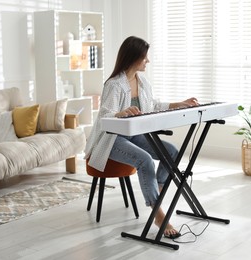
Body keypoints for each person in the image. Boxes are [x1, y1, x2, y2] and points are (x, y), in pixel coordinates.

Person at [84, 36, 199, 238]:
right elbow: (104, 116)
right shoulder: (114, 84)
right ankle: (158, 214)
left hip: (132, 136)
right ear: (134, 58)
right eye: (145, 57)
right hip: (111, 139)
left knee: (171, 152)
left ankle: (157, 196)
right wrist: (121, 113)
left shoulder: (142, 81)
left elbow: (153, 105)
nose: (148, 61)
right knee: (145, 160)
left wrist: (179, 103)